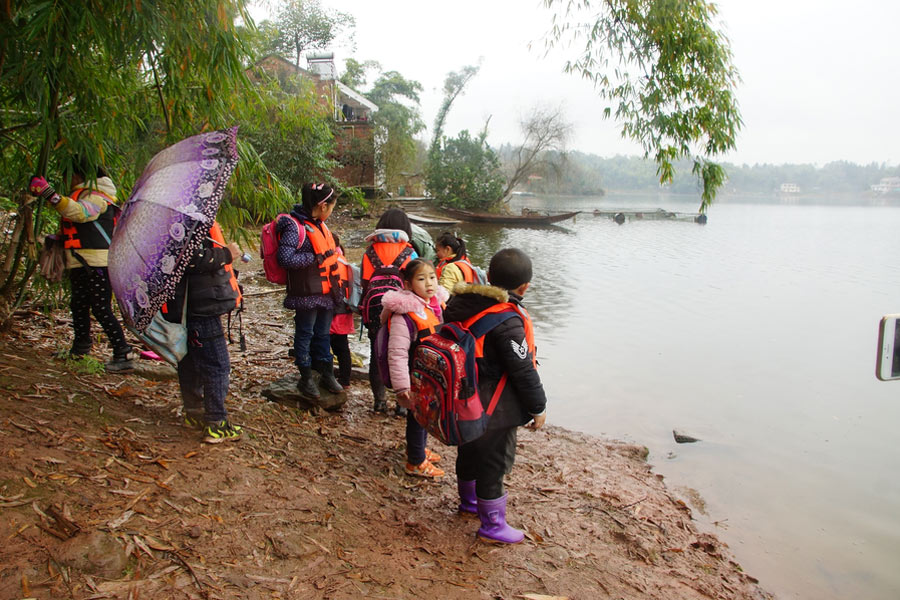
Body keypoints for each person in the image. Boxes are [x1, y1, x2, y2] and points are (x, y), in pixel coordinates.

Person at [442, 247, 547, 544]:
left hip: (464, 398)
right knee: (494, 462)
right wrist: (538, 407)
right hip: (494, 407)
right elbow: (523, 370)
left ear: (487, 277)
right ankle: (492, 525)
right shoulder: (508, 321)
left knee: (470, 451)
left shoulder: (462, 302)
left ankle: (468, 502)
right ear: (525, 286)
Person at [29, 163, 134, 372]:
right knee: (78, 305)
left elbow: (79, 213)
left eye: (71, 174)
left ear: (80, 175)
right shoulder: (83, 194)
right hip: (79, 261)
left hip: (96, 264)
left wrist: (48, 193)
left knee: (100, 308)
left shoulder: (97, 196)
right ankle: (80, 348)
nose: (69, 180)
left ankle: (123, 352)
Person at [164, 221, 243, 443]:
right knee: (217, 365)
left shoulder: (170, 220)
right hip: (201, 307)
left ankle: (194, 413)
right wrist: (226, 253)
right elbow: (188, 259)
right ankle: (216, 423)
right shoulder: (188, 222)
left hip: (183, 307)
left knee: (189, 362)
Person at [380, 259, 449, 478]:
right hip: (413, 377)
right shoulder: (404, 315)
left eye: (432, 277)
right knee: (418, 417)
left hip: (427, 375)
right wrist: (402, 387)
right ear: (408, 285)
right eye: (421, 279)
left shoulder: (432, 305)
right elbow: (397, 353)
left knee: (424, 416)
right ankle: (415, 462)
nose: (429, 283)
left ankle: (416, 449)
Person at [277, 183, 344, 400]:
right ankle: (305, 375)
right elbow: (285, 259)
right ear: (323, 206)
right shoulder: (293, 226)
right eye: (332, 206)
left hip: (325, 292)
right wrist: (315, 258)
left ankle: (325, 371)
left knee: (323, 334)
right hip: (306, 294)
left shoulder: (320, 226)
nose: (332, 211)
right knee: (305, 333)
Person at [361, 208, 417, 414]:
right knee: (404, 355)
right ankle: (402, 405)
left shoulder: (370, 252)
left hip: (376, 308)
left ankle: (379, 402)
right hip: (402, 311)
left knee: (377, 354)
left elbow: (365, 284)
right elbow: (415, 285)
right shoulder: (410, 253)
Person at [330, 234, 355, 388]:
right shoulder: (343, 260)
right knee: (343, 348)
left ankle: (332, 378)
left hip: (333, 312)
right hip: (345, 311)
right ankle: (345, 379)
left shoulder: (332, 261)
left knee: (328, 346)